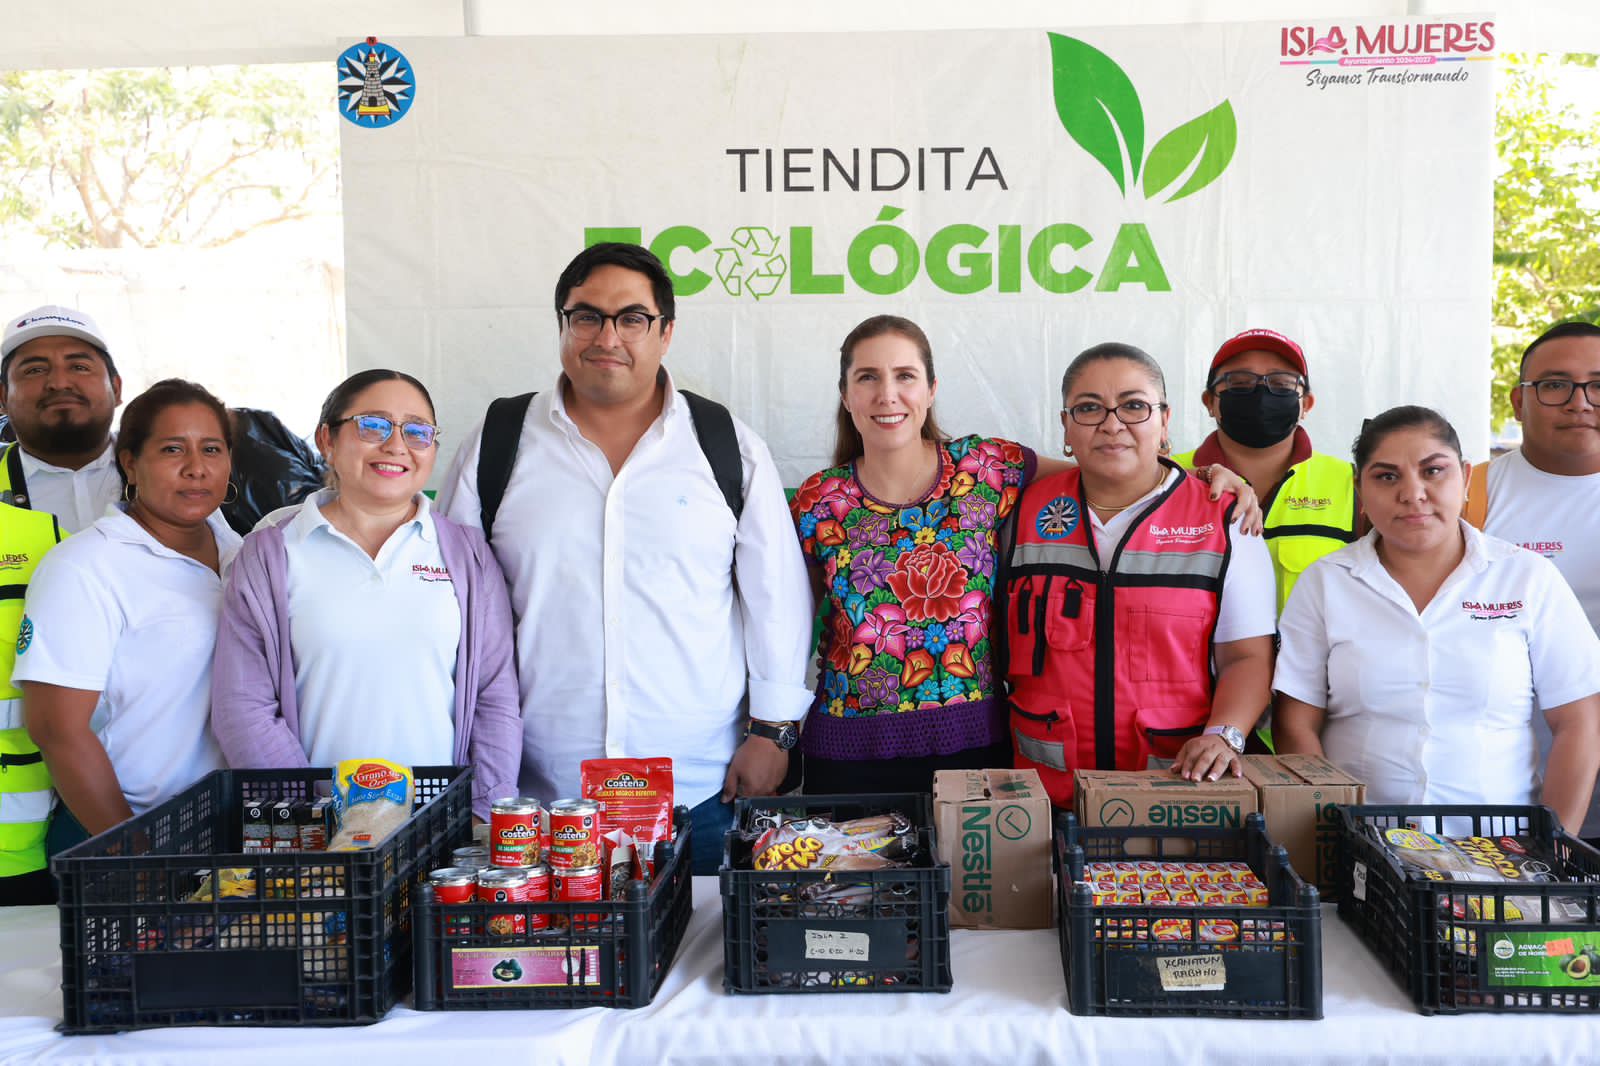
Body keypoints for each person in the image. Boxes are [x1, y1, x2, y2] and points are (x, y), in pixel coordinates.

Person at [438, 243, 813, 875]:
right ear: (562, 324)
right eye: (586, 316)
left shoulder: (725, 445)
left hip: (702, 790)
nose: (607, 337)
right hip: (537, 798)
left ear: (666, 332)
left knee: (705, 941)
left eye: (632, 318)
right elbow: (453, 606)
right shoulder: (498, 443)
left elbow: (776, 597)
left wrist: (773, 732)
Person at [210, 370, 521, 820]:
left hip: (441, 826)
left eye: (417, 431)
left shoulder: (467, 554)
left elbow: (495, 698)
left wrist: (482, 813)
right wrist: (308, 818)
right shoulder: (271, 554)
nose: (396, 445)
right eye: (373, 425)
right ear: (327, 440)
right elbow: (243, 707)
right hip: (318, 832)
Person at [1274, 406, 1600, 832]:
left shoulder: (1527, 577)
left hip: (1502, 853)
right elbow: (1295, 722)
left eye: (1433, 471)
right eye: (1386, 477)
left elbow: (1579, 721)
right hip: (1362, 848)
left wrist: (1552, 848)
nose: (1413, 494)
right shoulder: (1326, 582)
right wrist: (1332, 838)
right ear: (1359, 489)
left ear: (1465, 477)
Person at [1003, 342, 1277, 806]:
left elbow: (1248, 657)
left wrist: (1224, 735)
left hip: (1175, 794)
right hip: (1043, 799)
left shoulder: (1225, 520)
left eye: (1134, 406)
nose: (1112, 424)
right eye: (1089, 408)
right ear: (1066, 425)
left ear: (1164, 421)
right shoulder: (1018, 512)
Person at [17, 379, 241, 840]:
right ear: (130, 464)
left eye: (212, 449)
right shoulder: (85, 566)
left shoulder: (243, 552)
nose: (196, 468)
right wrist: (133, 853)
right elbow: (56, 729)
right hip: (121, 829)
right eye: (173, 449)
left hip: (227, 824)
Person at [0, 306, 121, 904]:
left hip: (149, 794)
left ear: (116, 387)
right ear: (2, 396)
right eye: (33, 369)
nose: (58, 381)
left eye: (79, 365)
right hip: (14, 829)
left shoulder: (187, 487)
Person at [1462, 321, 1600, 840]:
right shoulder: (1467, 496)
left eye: (1598, 385)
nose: (1579, 403)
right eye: (1555, 384)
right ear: (1519, 402)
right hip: (1501, 803)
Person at [1172, 329, 1358, 615]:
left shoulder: (1353, 483)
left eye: (1281, 384)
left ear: (1306, 404)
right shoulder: (1169, 477)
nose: (1261, 394)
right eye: (1239, 383)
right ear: (1209, 401)